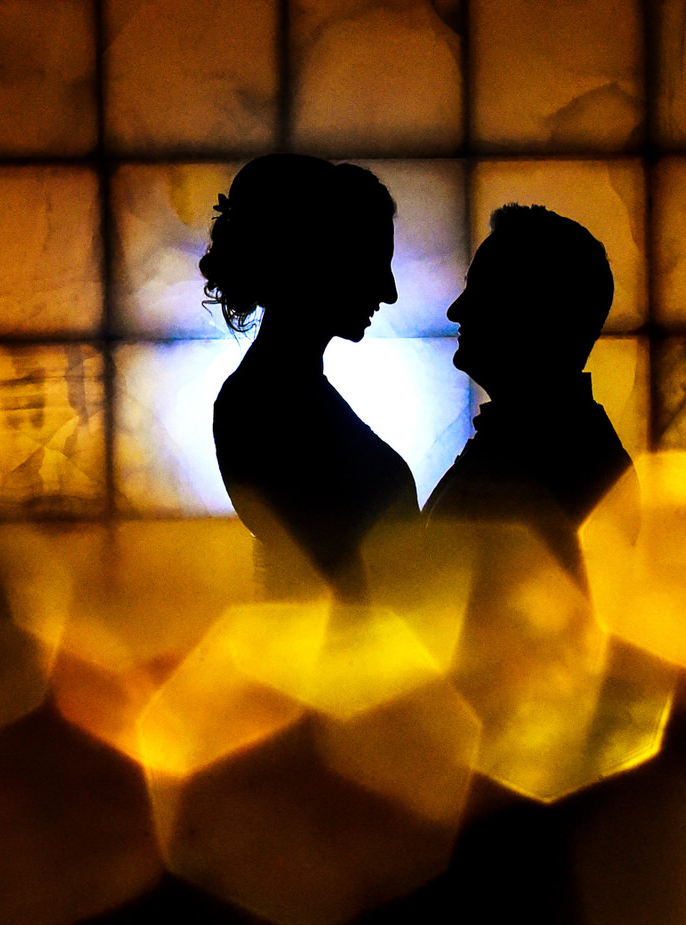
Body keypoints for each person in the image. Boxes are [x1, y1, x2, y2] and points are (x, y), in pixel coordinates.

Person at [201, 154, 419, 596]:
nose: (389, 291)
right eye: (373, 261)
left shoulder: (267, 397)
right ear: (317, 258)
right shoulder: (266, 407)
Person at [424, 204, 632, 578]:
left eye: (482, 291)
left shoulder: (553, 464)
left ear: (532, 311)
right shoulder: (561, 445)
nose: (456, 311)